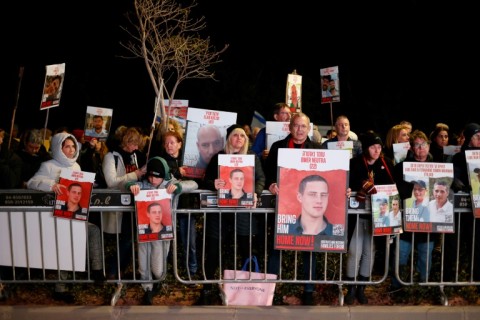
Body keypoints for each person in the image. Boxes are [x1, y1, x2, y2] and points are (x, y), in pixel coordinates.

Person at [265, 112, 350, 305]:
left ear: (309, 128)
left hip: (308, 209)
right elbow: (269, 173)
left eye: (303, 126)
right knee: (276, 247)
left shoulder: (317, 148)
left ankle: (309, 291)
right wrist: (270, 184)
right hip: (284, 207)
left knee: (309, 247)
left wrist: (343, 188)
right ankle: (271, 290)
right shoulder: (278, 147)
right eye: (296, 126)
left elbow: (329, 178)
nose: (300, 129)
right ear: (289, 127)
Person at [27, 132, 104, 302]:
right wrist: (51, 185)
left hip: (73, 215)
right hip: (54, 217)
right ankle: (60, 288)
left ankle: (97, 270)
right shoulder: (48, 165)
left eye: (73, 146)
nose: (70, 150)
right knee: (66, 244)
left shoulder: (76, 166)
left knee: (94, 230)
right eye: (66, 146)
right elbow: (32, 182)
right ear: (58, 147)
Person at [197, 124, 265, 305]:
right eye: (235, 136)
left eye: (242, 136)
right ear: (229, 139)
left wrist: (256, 191)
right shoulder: (219, 157)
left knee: (246, 249)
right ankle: (207, 288)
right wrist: (214, 184)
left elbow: (261, 178)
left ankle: (247, 291)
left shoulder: (251, 158)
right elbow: (207, 180)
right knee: (213, 250)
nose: (239, 139)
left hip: (243, 211)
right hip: (219, 211)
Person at [125, 156, 198, 305]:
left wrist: (179, 187)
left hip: (162, 234)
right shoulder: (144, 184)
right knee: (143, 262)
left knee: (158, 267)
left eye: (156, 177)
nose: (153, 180)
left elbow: (194, 184)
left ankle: (158, 280)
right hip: (144, 232)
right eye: (150, 176)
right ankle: (147, 288)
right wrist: (131, 185)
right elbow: (125, 184)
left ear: (163, 175)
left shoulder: (170, 184)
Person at [345, 131, 394, 305]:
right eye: (373, 147)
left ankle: (362, 288)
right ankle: (350, 287)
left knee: (369, 252)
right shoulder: (355, 163)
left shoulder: (386, 164)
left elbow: (392, 186)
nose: (377, 150)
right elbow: (348, 182)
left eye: (379, 147)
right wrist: (360, 186)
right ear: (366, 148)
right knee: (354, 251)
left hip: (377, 216)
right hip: (358, 215)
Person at [392, 130, 436, 291]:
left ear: (429, 146)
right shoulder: (401, 168)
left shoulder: (438, 167)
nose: (420, 148)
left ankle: (421, 290)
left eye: (423, 144)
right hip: (406, 222)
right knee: (401, 256)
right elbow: (397, 191)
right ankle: (398, 288)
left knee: (425, 257)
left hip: (428, 223)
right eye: (416, 145)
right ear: (410, 148)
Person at [102, 127, 147, 280]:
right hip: (119, 204)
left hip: (132, 204)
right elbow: (111, 181)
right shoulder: (111, 157)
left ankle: (119, 271)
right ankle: (113, 271)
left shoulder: (133, 156)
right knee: (125, 240)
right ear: (126, 141)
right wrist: (135, 174)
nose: (136, 148)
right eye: (134, 144)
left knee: (129, 239)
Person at [159, 130, 199, 281]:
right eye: (166, 143)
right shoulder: (161, 160)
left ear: (180, 144)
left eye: (172, 142)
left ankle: (191, 272)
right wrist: (177, 172)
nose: (169, 146)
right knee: (166, 242)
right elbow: (158, 175)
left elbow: (196, 181)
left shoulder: (190, 159)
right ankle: (165, 274)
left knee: (190, 242)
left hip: (187, 206)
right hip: (167, 209)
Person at [446, 122, 480, 283]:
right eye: (476, 136)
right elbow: (452, 177)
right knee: (455, 245)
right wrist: (459, 183)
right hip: (461, 209)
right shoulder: (459, 156)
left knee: (476, 245)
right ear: (468, 139)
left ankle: (476, 281)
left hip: (478, 210)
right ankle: (451, 280)